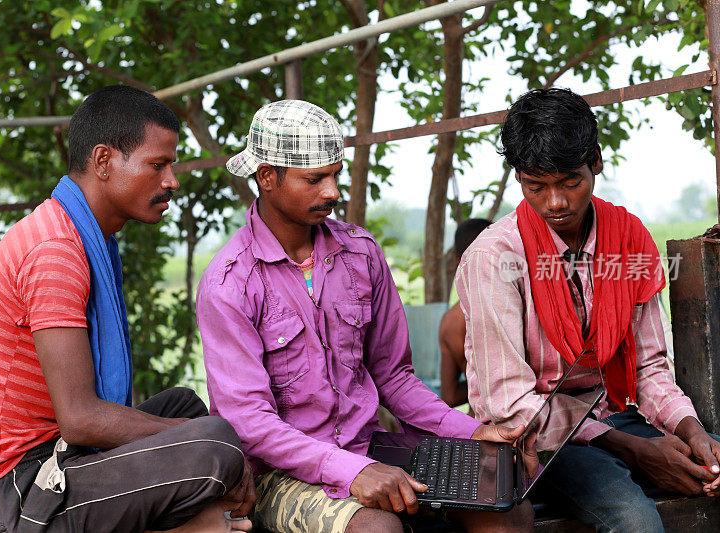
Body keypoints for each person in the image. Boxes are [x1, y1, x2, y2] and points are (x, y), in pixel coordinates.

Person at [196, 99, 535, 533]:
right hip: (279, 473)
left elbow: (393, 377)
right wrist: (349, 471)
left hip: (369, 445)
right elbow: (249, 422)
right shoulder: (229, 282)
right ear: (267, 178)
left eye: (335, 174)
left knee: (505, 502)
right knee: (377, 530)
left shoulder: (361, 253)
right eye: (315, 178)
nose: (333, 191)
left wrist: (470, 432)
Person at [0, 85, 254, 533]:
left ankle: (189, 521)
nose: (172, 180)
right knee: (216, 442)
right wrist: (198, 443)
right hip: (16, 495)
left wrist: (185, 433)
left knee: (189, 408)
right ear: (103, 161)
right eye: (158, 165)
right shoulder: (55, 249)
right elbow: (80, 420)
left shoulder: (85, 237)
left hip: (56, 457)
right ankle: (184, 526)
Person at [455, 87, 720, 532]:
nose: (555, 202)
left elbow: (650, 368)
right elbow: (511, 404)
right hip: (542, 438)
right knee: (634, 521)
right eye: (536, 186)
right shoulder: (493, 260)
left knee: (712, 463)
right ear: (518, 178)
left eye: (570, 181)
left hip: (617, 413)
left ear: (595, 162)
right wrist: (634, 449)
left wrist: (690, 431)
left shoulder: (627, 238)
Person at [439, 218, 491, 409]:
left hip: (479, 426)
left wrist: (482, 388)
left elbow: (450, 396)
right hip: (523, 424)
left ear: (456, 259)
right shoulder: (517, 306)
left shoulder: (450, 321)